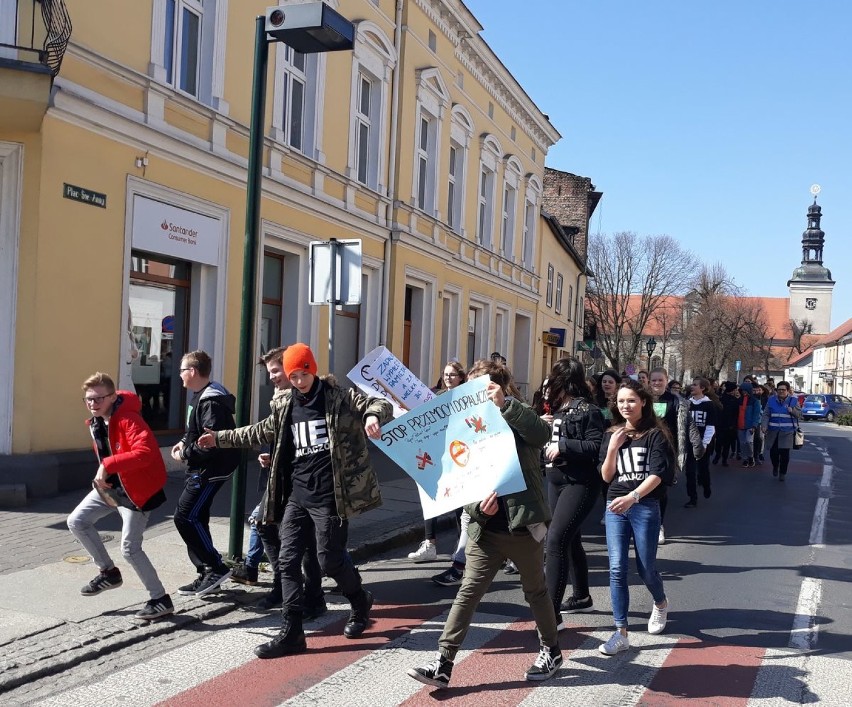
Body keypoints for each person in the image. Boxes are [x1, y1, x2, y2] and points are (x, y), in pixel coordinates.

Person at [198, 343, 392, 658]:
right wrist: (219, 438)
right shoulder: (286, 405)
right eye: (294, 375)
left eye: (303, 373)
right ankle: (292, 633)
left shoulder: (338, 397)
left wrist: (372, 416)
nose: (299, 380)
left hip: (332, 497)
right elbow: (259, 431)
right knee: (287, 562)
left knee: (330, 560)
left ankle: (359, 601)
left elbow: (378, 403)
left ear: (312, 369)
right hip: (297, 496)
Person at [408, 359, 561, 688]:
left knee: (535, 591)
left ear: (501, 387)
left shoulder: (516, 412)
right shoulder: (462, 425)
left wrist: (505, 406)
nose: (479, 395)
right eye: (471, 390)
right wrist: (479, 507)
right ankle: (444, 663)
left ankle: (551, 650)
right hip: (486, 530)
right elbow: (459, 477)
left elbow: (541, 434)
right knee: (467, 593)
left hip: (522, 524)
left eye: (486, 388)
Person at [228, 348, 328, 618]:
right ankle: (286, 587)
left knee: (303, 542)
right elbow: (268, 433)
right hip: (278, 480)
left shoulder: (307, 398)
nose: (272, 376)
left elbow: (310, 443)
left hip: (301, 483)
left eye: (276, 370)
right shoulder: (281, 398)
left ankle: (311, 596)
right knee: (266, 526)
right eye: (270, 371)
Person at [67, 373, 172, 620]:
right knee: (77, 521)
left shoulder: (128, 419)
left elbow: (145, 453)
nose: (93, 404)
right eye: (88, 399)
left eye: (98, 398)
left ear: (113, 397)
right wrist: (105, 474)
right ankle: (108, 573)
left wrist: (108, 465)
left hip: (137, 492)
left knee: (130, 548)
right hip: (112, 488)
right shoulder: (97, 422)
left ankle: (160, 599)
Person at [597, 380, 672, 656]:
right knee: (617, 568)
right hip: (615, 505)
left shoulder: (655, 434)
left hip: (644, 505)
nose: (625, 406)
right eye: (620, 402)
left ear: (642, 402)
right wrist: (613, 448)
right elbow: (606, 476)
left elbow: (657, 475)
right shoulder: (611, 434)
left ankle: (661, 603)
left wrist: (633, 498)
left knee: (645, 568)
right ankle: (621, 632)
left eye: (630, 401)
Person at [171, 350, 240, 596]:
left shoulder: (210, 400)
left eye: (181, 370)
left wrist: (185, 454)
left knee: (184, 516)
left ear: (192, 372)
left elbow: (208, 442)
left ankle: (215, 567)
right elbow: (195, 430)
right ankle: (205, 572)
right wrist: (183, 441)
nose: (178, 375)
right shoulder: (199, 397)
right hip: (203, 467)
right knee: (197, 517)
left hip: (210, 468)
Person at [542, 358, 604, 621]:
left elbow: (596, 446)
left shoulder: (588, 410)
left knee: (555, 540)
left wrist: (564, 445)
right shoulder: (556, 409)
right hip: (555, 479)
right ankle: (581, 596)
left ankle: (550, 615)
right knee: (570, 539)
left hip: (579, 482)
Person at [408, 361, 467, 565]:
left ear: (461, 377)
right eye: (445, 374)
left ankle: (461, 544)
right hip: (437, 454)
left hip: (458, 454)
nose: (448, 377)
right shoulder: (435, 396)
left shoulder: (468, 397)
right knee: (430, 498)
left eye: (452, 374)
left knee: (458, 501)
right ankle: (429, 544)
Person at [648, 368, 703, 544]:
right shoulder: (643, 400)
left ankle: (658, 526)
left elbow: (689, 425)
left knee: (660, 490)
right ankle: (643, 524)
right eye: (654, 380)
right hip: (645, 449)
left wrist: (697, 445)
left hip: (667, 451)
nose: (657, 383)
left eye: (660, 380)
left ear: (666, 381)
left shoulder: (678, 402)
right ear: (649, 382)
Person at [683, 377, 718, 508]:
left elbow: (710, 426)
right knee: (690, 471)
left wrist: (704, 444)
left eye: (695, 385)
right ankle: (692, 498)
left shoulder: (709, 405)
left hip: (703, 442)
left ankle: (706, 485)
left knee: (703, 469)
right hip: (689, 443)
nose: (692, 387)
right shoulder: (687, 403)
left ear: (702, 388)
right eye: (692, 384)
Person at [761, 381, 802, 480]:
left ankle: (783, 472)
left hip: (787, 432)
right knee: (773, 453)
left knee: (784, 454)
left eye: (783, 390)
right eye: (779, 390)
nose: (781, 391)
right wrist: (764, 425)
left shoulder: (793, 401)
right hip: (773, 431)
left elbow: (800, 415)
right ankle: (775, 466)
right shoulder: (771, 400)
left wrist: (792, 411)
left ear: (787, 390)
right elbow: (766, 414)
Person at [713, 382, 739, 467]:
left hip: (722, 425)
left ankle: (719, 456)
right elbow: (736, 414)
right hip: (727, 425)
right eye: (735, 389)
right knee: (725, 444)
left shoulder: (722, 398)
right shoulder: (731, 400)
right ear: (732, 390)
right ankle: (723, 459)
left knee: (720, 443)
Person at [736, 381, 762, 468]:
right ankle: (745, 459)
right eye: (742, 390)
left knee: (749, 442)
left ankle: (750, 457)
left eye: (745, 390)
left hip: (750, 425)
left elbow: (756, 414)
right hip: (740, 425)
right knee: (742, 443)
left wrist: (754, 425)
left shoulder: (755, 401)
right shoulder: (739, 400)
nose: (744, 392)